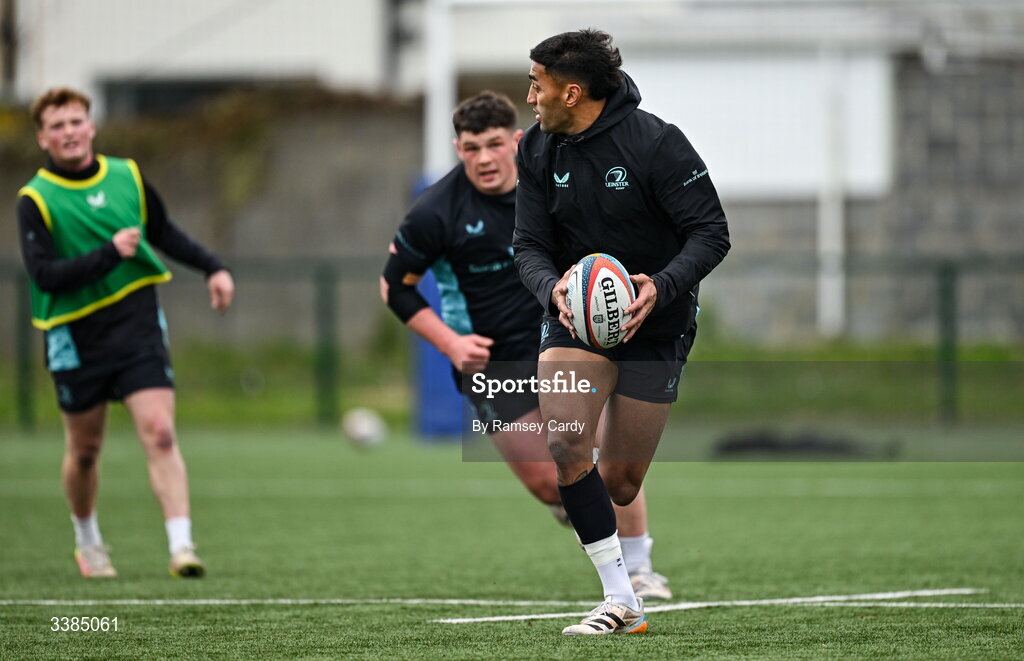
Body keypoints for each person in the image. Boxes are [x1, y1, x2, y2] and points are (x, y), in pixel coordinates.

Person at [381, 91, 672, 600]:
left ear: (516, 141)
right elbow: (394, 287)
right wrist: (450, 342)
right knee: (550, 484)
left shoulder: (550, 186)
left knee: (603, 455)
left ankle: (641, 568)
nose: (484, 158)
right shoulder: (435, 212)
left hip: (566, 342)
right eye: (471, 148)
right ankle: (594, 525)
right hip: (494, 362)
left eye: (494, 144)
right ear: (458, 149)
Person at [514, 30, 731, 634]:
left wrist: (660, 285)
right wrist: (551, 288)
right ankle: (620, 598)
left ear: (572, 92)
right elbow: (528, 244)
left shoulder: (658, 144)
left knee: (621, 480)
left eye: (537, 84)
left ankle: (631, 565)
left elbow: (711, 233)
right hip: (573, 323)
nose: (530, 96)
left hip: (656, 324)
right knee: (565, 445)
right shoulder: (535, 151)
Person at [17, 88, 235, 579]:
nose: (69, 132)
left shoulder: (127, 176)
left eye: (76, 121)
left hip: (135, 322)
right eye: (57, 126)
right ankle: (88, 539)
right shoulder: (35, 200)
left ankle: (182, 546)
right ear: (42, 138)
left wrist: (213, 267)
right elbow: (46, 276)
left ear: (91, 127)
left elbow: (164, 231)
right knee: (85, 450)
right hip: (75, 333)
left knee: (160, 432)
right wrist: (110, 253)